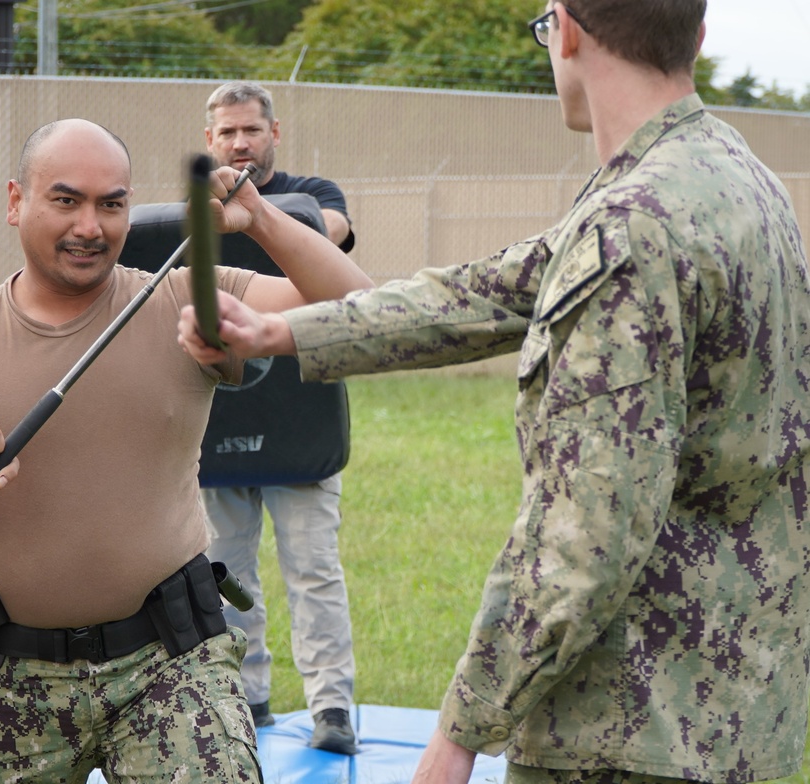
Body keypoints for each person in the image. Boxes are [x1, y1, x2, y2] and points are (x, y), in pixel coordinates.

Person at [177, 3, 810, 783]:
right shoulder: (728, 176)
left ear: (568, 31)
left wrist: (459, 735)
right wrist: (285, 330)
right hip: (735, 706)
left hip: (626, 727)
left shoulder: (633, 226)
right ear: (697, 38)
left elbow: (587, 532)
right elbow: (485, 292)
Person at [0, 118, 372, 784]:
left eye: (112, 204)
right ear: (16, 202)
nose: (90, 227)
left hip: (174, 662)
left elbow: (363, 306)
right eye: (66, 200)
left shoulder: (184, 300)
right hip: (9, 678)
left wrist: (261, 222)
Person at [202, 80, 358, 754]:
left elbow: (336, 234)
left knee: (314, 567)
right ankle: (247, 697)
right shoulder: (192, 210)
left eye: (252, 131)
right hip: (218, 412)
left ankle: (332, 709)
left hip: (303, 415)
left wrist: (256, 213)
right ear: (209, 140)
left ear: (275, 133)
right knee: (226, 571)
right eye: (228, 133)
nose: (241, 142)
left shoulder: (314, 194)